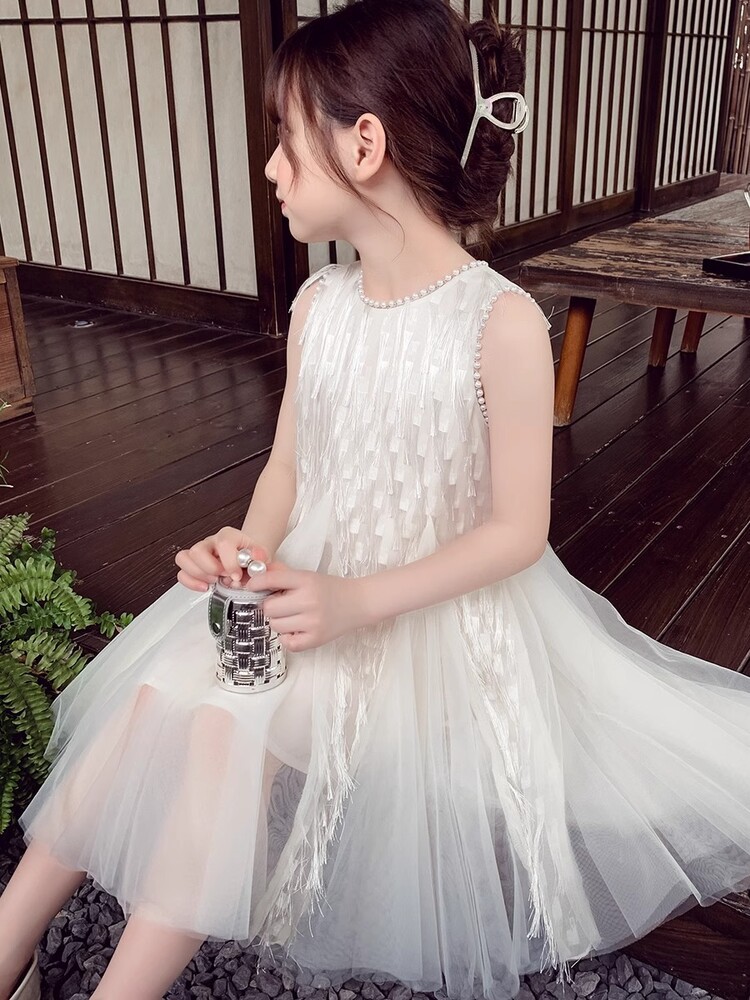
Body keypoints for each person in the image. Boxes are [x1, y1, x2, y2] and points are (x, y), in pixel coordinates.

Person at [2, 1, 750, 999]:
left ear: (364, 145)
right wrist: (242, 549)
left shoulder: (499, 323)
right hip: (303, 593)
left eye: (286, 138)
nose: (271, 165)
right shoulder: (321, 305)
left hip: (425, 624)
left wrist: (355, 600)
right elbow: (287, 472)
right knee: (149, 699)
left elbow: (518, 533)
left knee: (226, 728)